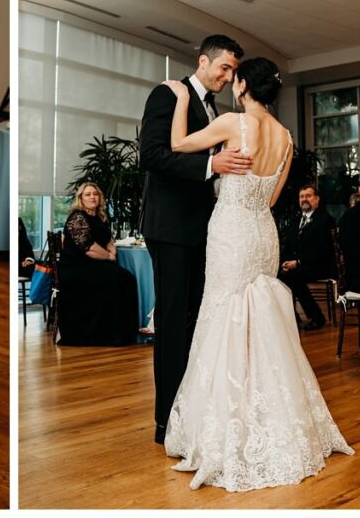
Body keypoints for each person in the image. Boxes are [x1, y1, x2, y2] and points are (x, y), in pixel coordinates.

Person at [160, 57, 353, 491]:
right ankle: (272, 420)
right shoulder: (285, 137)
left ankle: (227, 429)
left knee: (223, 317)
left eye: (235, 79)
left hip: (230, 229)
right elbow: (271, 199)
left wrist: (179, 98)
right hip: (262, 234)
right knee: (259, 319)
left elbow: (176, 144)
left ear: (243, 84)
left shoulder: (233, 122)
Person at [139, 34, 251, 447]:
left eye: (233, 71)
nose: (228, 76)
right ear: (204, 61)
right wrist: (211, 164)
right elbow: (150, 155)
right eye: (223, 68)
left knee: (192, 320)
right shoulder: (169, 94)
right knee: (171, 323)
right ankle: (166, 421)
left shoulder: (212, 107)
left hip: (202, 231)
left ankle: (191, 410)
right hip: (170, 229)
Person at [57, 182, 138, 346]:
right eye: (88, 194)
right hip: (76, 267)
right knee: (119, 279)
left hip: (92, 264)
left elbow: (108, 240)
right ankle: (107, 334)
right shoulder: (77, 217)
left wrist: (112, 249)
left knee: (126, 278)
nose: (92, 197)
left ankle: (122, 333)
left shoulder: (98, 218)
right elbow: (88, 248)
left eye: (95, 194)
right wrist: (109, 256)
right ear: (80, 198)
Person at [278, 184, 336, 330]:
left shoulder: (325, 220)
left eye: (308, 196)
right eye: (302, 196)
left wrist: (297, 262)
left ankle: (317, 317)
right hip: (300, 266)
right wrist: (285, 262)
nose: (305, 199)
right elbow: (288, 245)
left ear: (317, 199)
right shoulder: (295, 220)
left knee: (293, 276)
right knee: (279, 275)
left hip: (321, 265)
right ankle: (293, 317)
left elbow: (322, 250)